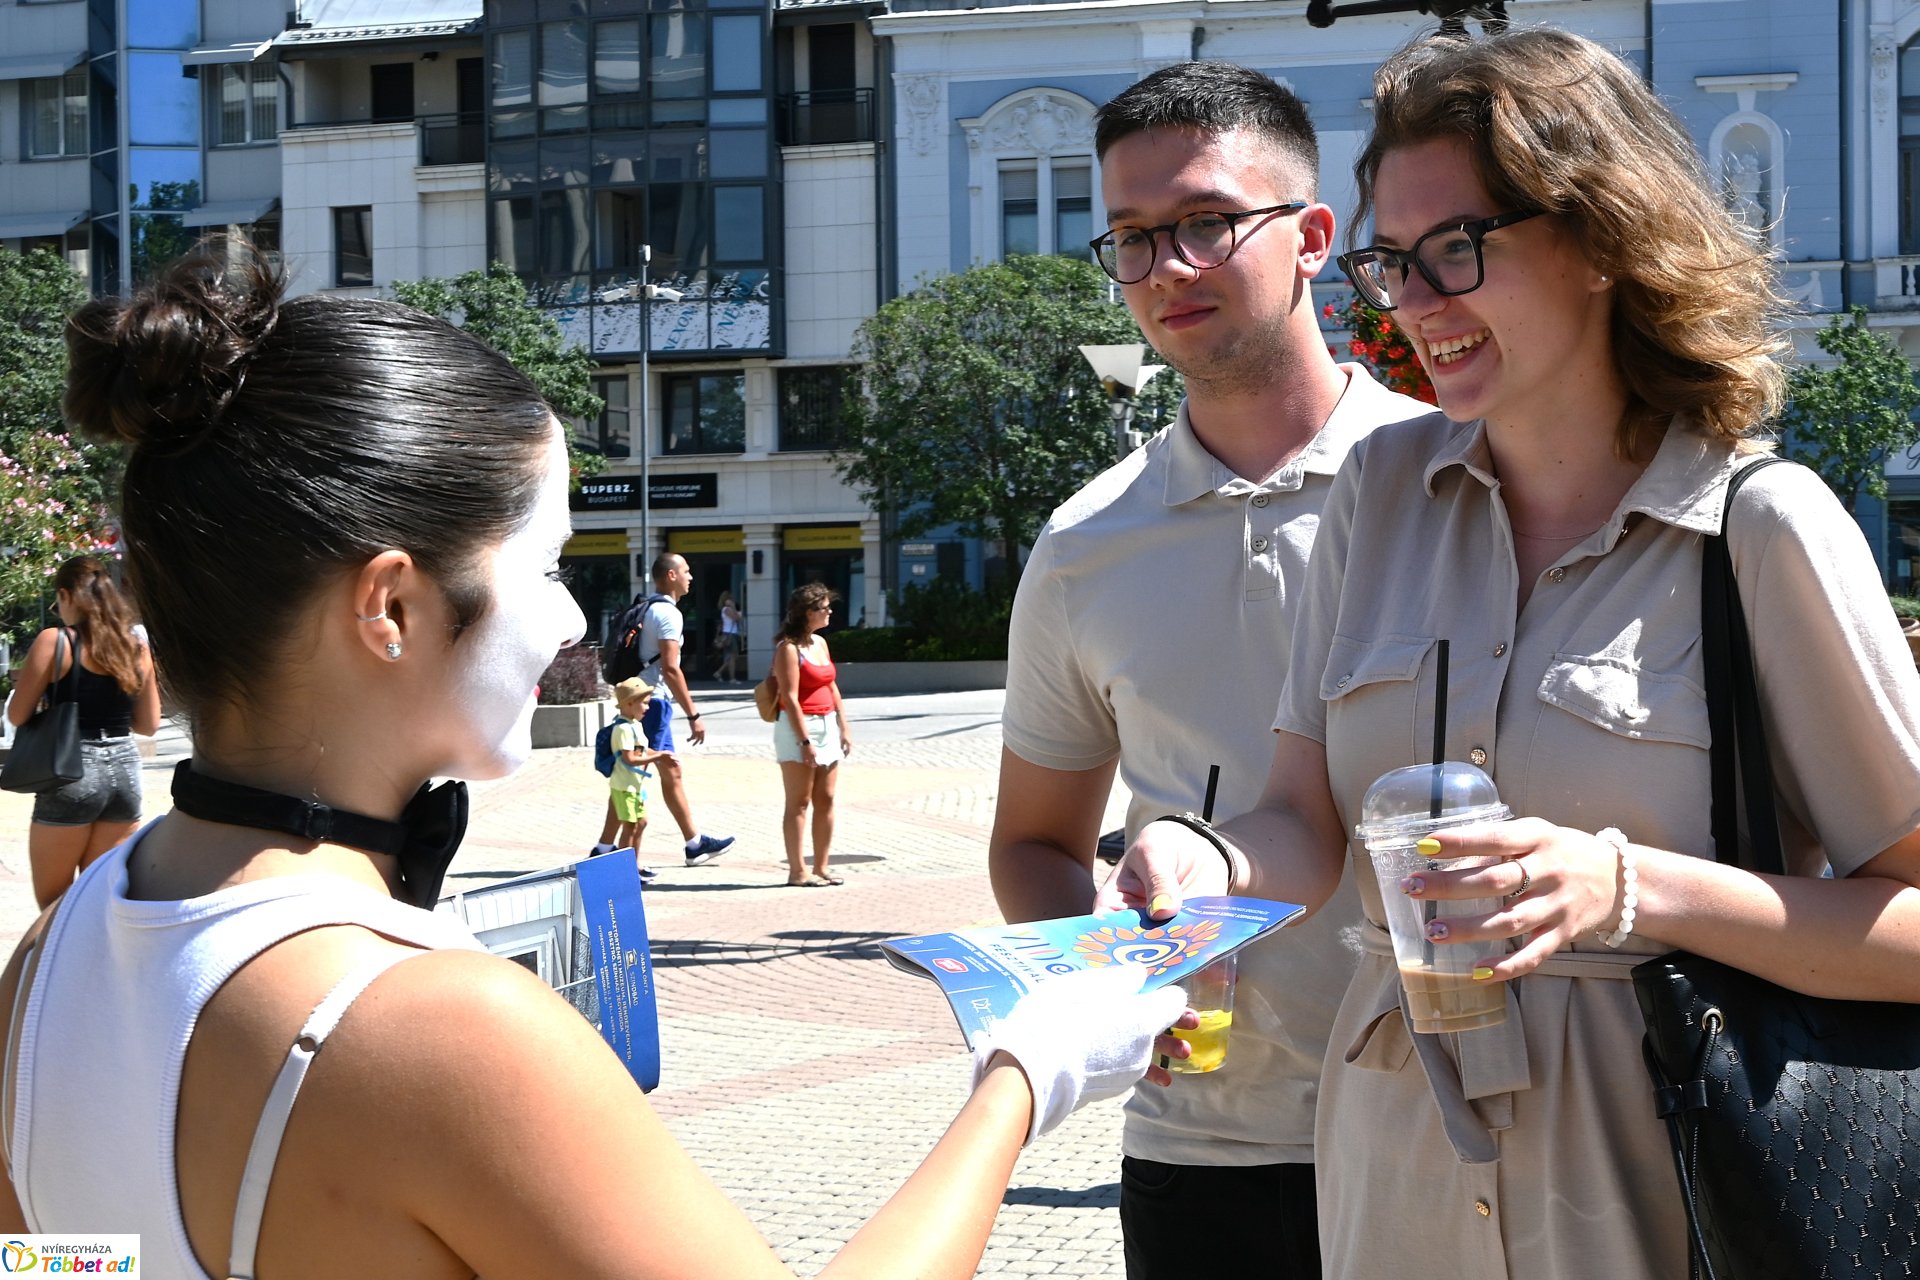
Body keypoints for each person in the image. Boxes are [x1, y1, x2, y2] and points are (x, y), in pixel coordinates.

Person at [0, 242, 1195, 1277]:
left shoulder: (44, 963)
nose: (575, 622)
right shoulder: (442, 1028)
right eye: (547, 564)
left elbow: (49, 1255)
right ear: (391, 608)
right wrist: (1026, 1073)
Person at [1101, 29, 1920, 1278]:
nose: (1417, 306)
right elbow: (1303, 819)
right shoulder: (1376, 490)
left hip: (1672, 1196)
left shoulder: (1758, 526)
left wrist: (1629, 890)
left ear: (1599, 240)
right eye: (1392, 264)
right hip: (1392, 1184)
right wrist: (1201, 857)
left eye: (1458, 250)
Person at [988, 59, 1435, 1280]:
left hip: (1460, 1126)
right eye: (1130, 238)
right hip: (1205, 1151)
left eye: (1202, 222)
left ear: (1313, 237)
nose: (1163, 269)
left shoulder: (1454, 479)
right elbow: (1031, 840)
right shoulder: (1087, 544)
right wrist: (1124, 975)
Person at [8, 556, 163, 908]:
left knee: (54, 905)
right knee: (100, 903)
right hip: (125, 774)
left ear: (66, 595)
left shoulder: (55, 642)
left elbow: (17, 715)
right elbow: (149, 725)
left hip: (71, 771)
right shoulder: (136, 648)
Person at [637, 554, 734, 865]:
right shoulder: (668, 614)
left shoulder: (647, 607)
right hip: (654, 702)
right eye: (686, 571)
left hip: (644, 699)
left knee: (665, 771)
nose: (691, 576)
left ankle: (694, 843)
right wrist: (694, 715)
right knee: (634, 776)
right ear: (670, 575)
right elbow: (671, 668)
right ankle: (606, 850)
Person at [772, 583, 852, 887]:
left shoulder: (820, 643)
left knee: (827, 798)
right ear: (807, 613)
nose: (830, 611)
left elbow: (831, 686)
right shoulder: (787, 648)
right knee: (799, 801)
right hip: (798, 728)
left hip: (827, 724)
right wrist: (805, 741)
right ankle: (797, 871)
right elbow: (790, 698)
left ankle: (822, 867)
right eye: (824, 607)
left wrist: (844, 726)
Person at [608, 677, 671, 868]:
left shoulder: (636, 725)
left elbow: (643, 751)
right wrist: (657, 758)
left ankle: (634, 866)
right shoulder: (623, 729)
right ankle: (624, 870)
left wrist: (661, 754)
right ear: (628, 704)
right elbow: (630, 759)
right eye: (643, 703)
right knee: (629, 826)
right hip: (624, 786)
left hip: (636, 786)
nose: (647, 708)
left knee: (640, 823)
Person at [712, 590, 743, 683]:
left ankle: (719, 672)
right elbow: (737, 618)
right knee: (733, 656)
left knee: (730, 657)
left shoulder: (725, 610)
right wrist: (733, 607)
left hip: (728, 633)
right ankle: (731, 677)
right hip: (730, 635)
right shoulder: (727, 609)